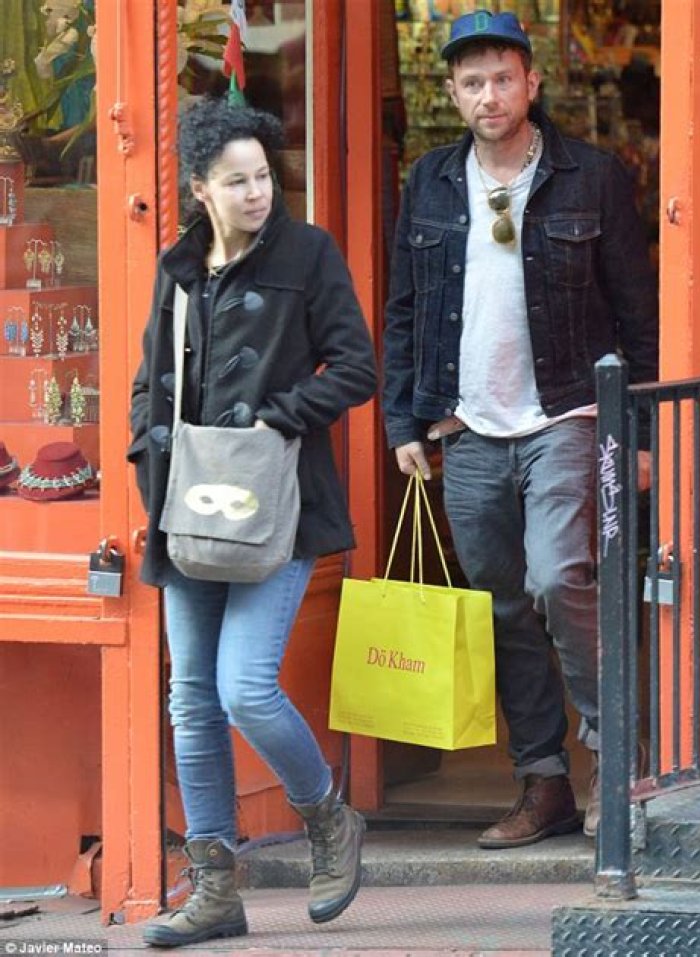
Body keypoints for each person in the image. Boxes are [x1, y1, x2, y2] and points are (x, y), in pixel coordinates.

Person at [382, 10, 657, 848]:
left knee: (558, 576)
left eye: (503, 78)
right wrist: (404, 417)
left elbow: (638, 310)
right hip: (466, 425)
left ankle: (617, 761)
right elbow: (404, 309)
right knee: (501, 605)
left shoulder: (591, 177)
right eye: (472, 83)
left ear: (531, 83)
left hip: (565, 413)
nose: (489, 95)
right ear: (453, 93)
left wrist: (642, 431)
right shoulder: (430, 181)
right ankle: (543, 783)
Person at [128, 96, 377, 947]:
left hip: (280, 505)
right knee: (192, 698)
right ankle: (214, 890)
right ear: (201, 188)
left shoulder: (308, 254)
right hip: (189, 511)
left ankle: (328, 816)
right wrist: (149, 461)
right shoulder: (177, 270)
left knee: (244, 686)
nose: (257, 192)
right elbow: (147, 384)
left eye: (264, 176)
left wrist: (278, 419)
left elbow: (356, 367)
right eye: (236, 181)